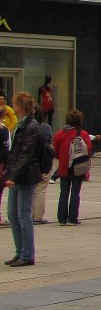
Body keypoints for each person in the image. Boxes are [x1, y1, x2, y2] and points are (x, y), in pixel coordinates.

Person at [4, 92, 41, 266]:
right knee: (12, 213)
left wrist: (14, 176)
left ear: (21, 106)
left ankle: (27, 254)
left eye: (15, 104)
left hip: (26, 174)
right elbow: (15, 153)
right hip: (17, 174)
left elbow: (26, 154)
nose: (13, 106)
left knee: (23, 214)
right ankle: (20, 251)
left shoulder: (31, 126)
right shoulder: (20, 124)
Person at [52, 110, 92, 226]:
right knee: (75, 192)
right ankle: (73, 218)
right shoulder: (83, 134)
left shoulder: (59, 134)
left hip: (64, 166)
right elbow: (88, 149)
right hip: (78, 167)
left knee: (63, 192)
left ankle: (62, 219)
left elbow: (55, 151)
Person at [31, 106, 53, 224]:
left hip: (31, 162)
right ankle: (38, 216)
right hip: (44, 162)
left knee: (31, 190)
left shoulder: (26, 128)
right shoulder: (46, 128)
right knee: (41, 189)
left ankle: (29, 214)